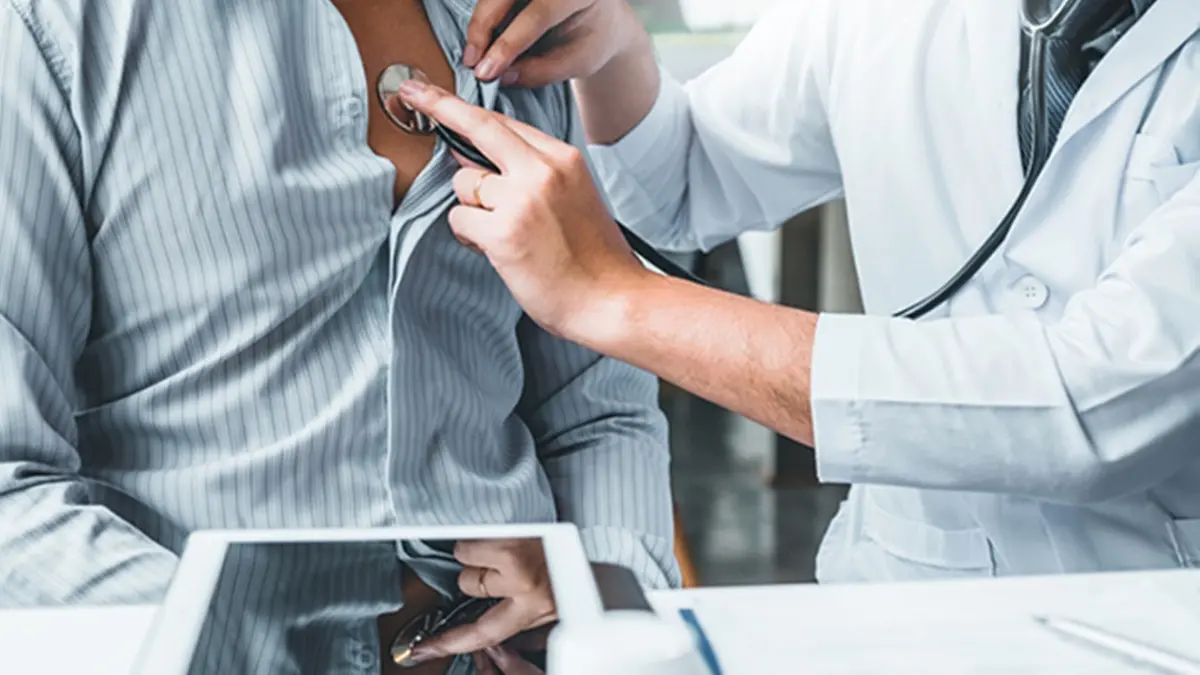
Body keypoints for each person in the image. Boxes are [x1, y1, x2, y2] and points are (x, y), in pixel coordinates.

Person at [397, 0, 1200, 663]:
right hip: (896, 604)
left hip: (1153, 611)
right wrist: (614, 52)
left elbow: (1091, 401)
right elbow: (688, 180)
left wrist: (618, 299)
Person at [0, 0, 678, 672]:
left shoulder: (519, 23)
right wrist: (219, 655)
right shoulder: (47, 26)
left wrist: (603, 617)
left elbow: (597, 407)